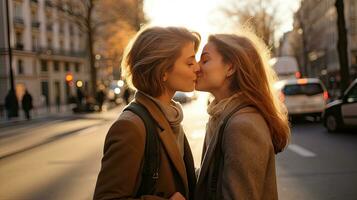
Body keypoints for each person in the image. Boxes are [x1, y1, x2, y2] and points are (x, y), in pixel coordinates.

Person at [93, 26, 200, 200]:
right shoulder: (131, 126)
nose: (197, 68)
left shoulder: (169, 116)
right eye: (189, 63)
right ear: (163, 71)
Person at [194, 33, 291, 200]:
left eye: (205, 60)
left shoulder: (242, 125)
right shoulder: (219, 116)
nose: (196, 67)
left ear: (230, 68)